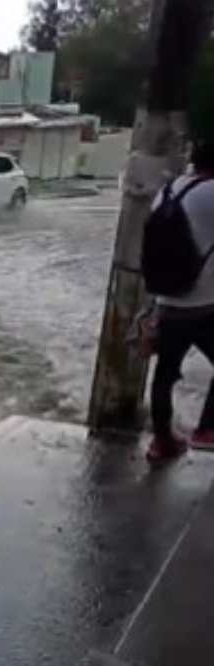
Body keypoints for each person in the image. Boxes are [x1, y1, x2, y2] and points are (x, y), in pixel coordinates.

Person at [147, 140, 214, 463]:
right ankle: (207, 430)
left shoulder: (170, 189)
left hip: (166, 301)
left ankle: (162, 443)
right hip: (203, 306)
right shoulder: (212, 192)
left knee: (165, 373)